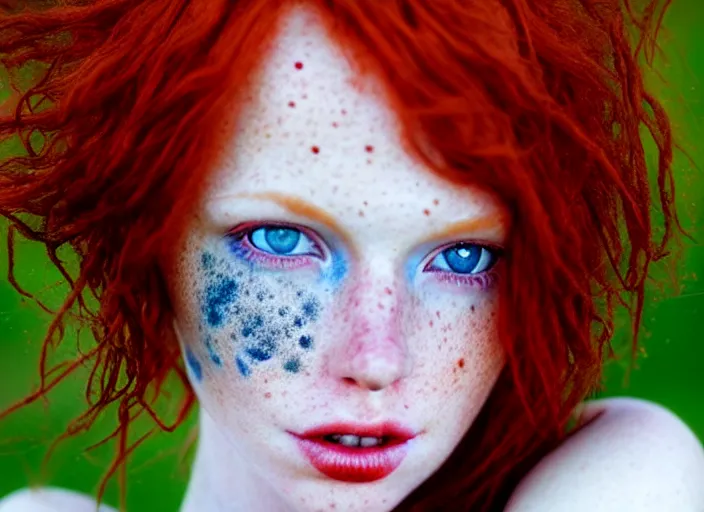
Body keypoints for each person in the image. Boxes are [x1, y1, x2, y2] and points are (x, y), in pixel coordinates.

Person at [0, 1, 703, 511]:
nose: (375, 359)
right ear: (149, 234)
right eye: (281, 242)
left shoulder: (630, 476)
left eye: (462, 258)